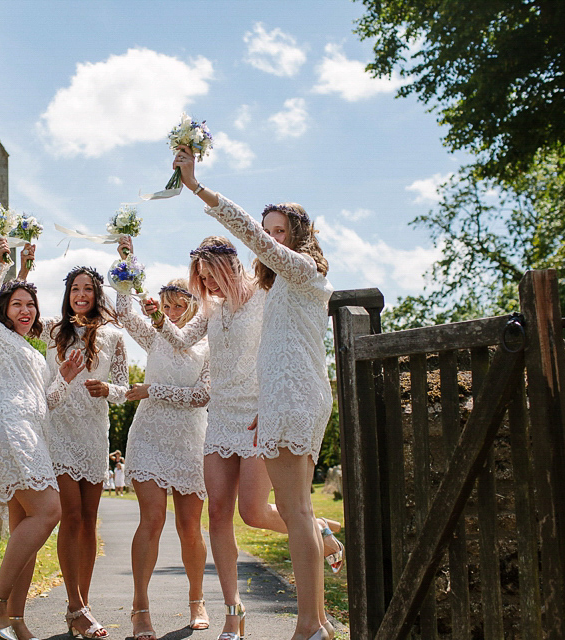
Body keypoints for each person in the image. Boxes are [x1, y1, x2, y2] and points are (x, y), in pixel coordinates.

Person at [172, 145, 339, 640]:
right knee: (296, 513)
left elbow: (246, 237)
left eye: (279, 231)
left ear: (300, 236)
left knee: (298, 512)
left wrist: (199, 188)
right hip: (278, 399)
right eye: (267, 233)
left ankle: (310, 626)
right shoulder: (280, 287)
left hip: (294, 397)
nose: (269, 240)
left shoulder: (304, 273)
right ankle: (317, 624)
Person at [0, 238, 82, 640]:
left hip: (29, 431)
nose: (25, 310)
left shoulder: (31, 351)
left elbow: (42, 402)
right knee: (48, 512)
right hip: (5, 427)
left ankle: (16, 621)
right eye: (17, 304)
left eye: (30, 304)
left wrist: (64, 380)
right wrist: (1, 266)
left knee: (26, 527)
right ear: (4, 310)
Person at [115, 237, 211, 640]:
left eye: (178, 305)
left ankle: (197, 599)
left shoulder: (208, 343)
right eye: (165, 305)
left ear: (193, 305)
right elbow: (123, 312)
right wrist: (126, 259)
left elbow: (202, 397)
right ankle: (140, 609)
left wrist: (153, 390)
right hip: (150, 435)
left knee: (190, 526)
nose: (170, 311)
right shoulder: (154, 334)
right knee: (152, 520)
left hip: (191, 440)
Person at [30, 260, 129, 639]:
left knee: (89, 521)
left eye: (87, 289)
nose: (81, 295)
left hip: (93, 434)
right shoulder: (53, 331)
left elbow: (122, 388)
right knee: (69, 517)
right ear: (67, 295)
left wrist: (109, 390)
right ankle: (75, 606)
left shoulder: (114, 336)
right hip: (59, 432)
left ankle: (81, 607)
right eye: (75, 289)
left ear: (97, 294)